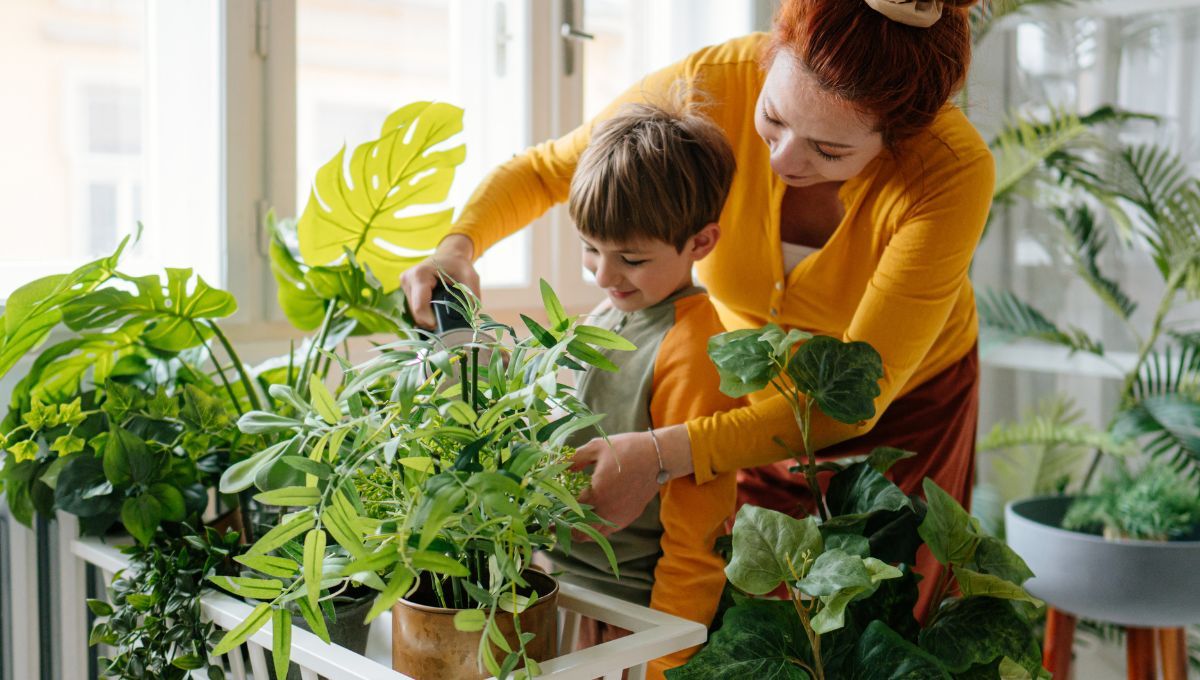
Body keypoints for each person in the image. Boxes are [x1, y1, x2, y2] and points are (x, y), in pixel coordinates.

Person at [402, 0, 992, 619]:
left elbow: (849, 403)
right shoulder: (711, 83)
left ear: (900, 139)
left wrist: (660, 453)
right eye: (772, 119)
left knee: (879, 617)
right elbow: (549, 170)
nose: (783, 161)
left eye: (828, 149)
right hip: (744, 400)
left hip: (904, 408)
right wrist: (458, 246)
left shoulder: (950, 173)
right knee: (756, 615)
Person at [541, 99, 740, 678]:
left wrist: (667, 661)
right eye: (590, 249)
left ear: (700, 243)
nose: (603, 275)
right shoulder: (613, 311)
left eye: (629, 257)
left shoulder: (694, 350)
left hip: (626, 620)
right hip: (562, 590)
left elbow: (695, 536)